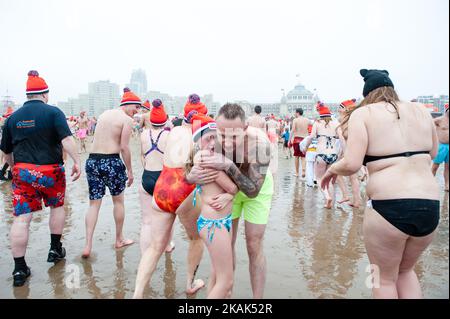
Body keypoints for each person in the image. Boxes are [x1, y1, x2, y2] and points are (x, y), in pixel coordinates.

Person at [321, 69, 440, 298]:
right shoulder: (421, 111)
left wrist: (331, 170)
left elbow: (352, 163)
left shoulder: (363, 114)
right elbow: (433, 152)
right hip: (429, 205)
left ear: (367, 93)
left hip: (389, 206)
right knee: (406, 271)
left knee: (382, 278)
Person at [0, 70, 81, 287]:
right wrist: (77, 162)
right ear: (45, 94)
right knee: (56, 207)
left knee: (22, 218)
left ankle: (19, 269)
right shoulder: (54, 113)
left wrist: (14, 166)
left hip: (23, 171)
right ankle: (55, 249)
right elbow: (66, 140)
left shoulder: (12, 119)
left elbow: (6, 153)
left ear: (28, 95)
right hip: (51, 171)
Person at [133, 94, 213, 298]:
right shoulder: (202, 135)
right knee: (196, 239)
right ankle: (190, 283)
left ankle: (137, 294)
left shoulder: (174, 130)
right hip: (185, 188)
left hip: (163, 185)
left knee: (155, 246)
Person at [196, 103, 273, 299]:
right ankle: (225, 293)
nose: (227, 142)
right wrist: (192, 174)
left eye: (234, 136)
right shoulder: (212, 140)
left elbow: (253, 191)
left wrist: (227, 164)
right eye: (223, 135)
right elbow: (190, 167)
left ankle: (258, 301)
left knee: (253, 244)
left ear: (245, 129)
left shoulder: (260, 145)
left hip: (257, 187)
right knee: (226, 244)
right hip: (229, 187)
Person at [82, 87, 140, 258]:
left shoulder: (104, 114)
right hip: (112, 161)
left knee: (94, 204)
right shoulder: (126, 120)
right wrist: (130, 170)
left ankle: (87, 245)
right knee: (118, 202)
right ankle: (119, 239)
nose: (137, 112)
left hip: (92, 161)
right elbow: (124, 147)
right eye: (136, 107)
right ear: (128, 104)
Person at [187, 113, 238, 298]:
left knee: (217, 274)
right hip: (213, 224)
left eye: (215, 138)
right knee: (226, 282)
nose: (212, 143)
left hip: (220, 220)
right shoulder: (206, 158)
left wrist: (230, 195)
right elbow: (232, 187)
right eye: (208, 138)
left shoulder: (209, 156)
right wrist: (230, 194)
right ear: (198, 141)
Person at [138, 99, 174, 254]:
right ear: (165, 120)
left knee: (146, 222)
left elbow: (142, 157)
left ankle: (145, 254)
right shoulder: (168, 135)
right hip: (163, 179)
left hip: (147, 177)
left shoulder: (144, 134)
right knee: (169, 219)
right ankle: (167, 245)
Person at [308, 103, 341, 209]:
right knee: (329, 181)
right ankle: (329, 202)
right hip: (333, 154)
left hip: (321, 154)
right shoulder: (336, 123)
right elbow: (340, 137)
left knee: (319, 178)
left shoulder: (317, 123)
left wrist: (305, 147)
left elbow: (311, 137)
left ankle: (327, 197)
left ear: (320, 114)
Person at [336, 99, 362, 208]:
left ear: (346, 109)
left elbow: (342, 139)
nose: (338, 109)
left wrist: (345, 153)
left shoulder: (344, 120)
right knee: (353, 177)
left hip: (347, 151)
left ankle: (346, 195)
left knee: (336, 172)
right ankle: (356, 200)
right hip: (354, 150)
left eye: (341, 107)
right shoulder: (354, 119)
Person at [431, 103, 449, 192]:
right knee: (435, 166)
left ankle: (447, 185)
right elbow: (428, 124)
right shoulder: (439, 120)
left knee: (448, 167)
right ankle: (429, 184)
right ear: (446, 110)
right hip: (441, 146)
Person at [290, 108, 309, 178]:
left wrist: (289, 140)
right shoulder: (307, 120)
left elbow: (292, 130)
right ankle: (303, 170)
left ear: (297, 113)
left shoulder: (295, 120)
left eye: (295, 112)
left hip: (297, 139)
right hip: (304, 139)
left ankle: (297, 173)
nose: (294, 114)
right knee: (303, 156)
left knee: (296, 156)